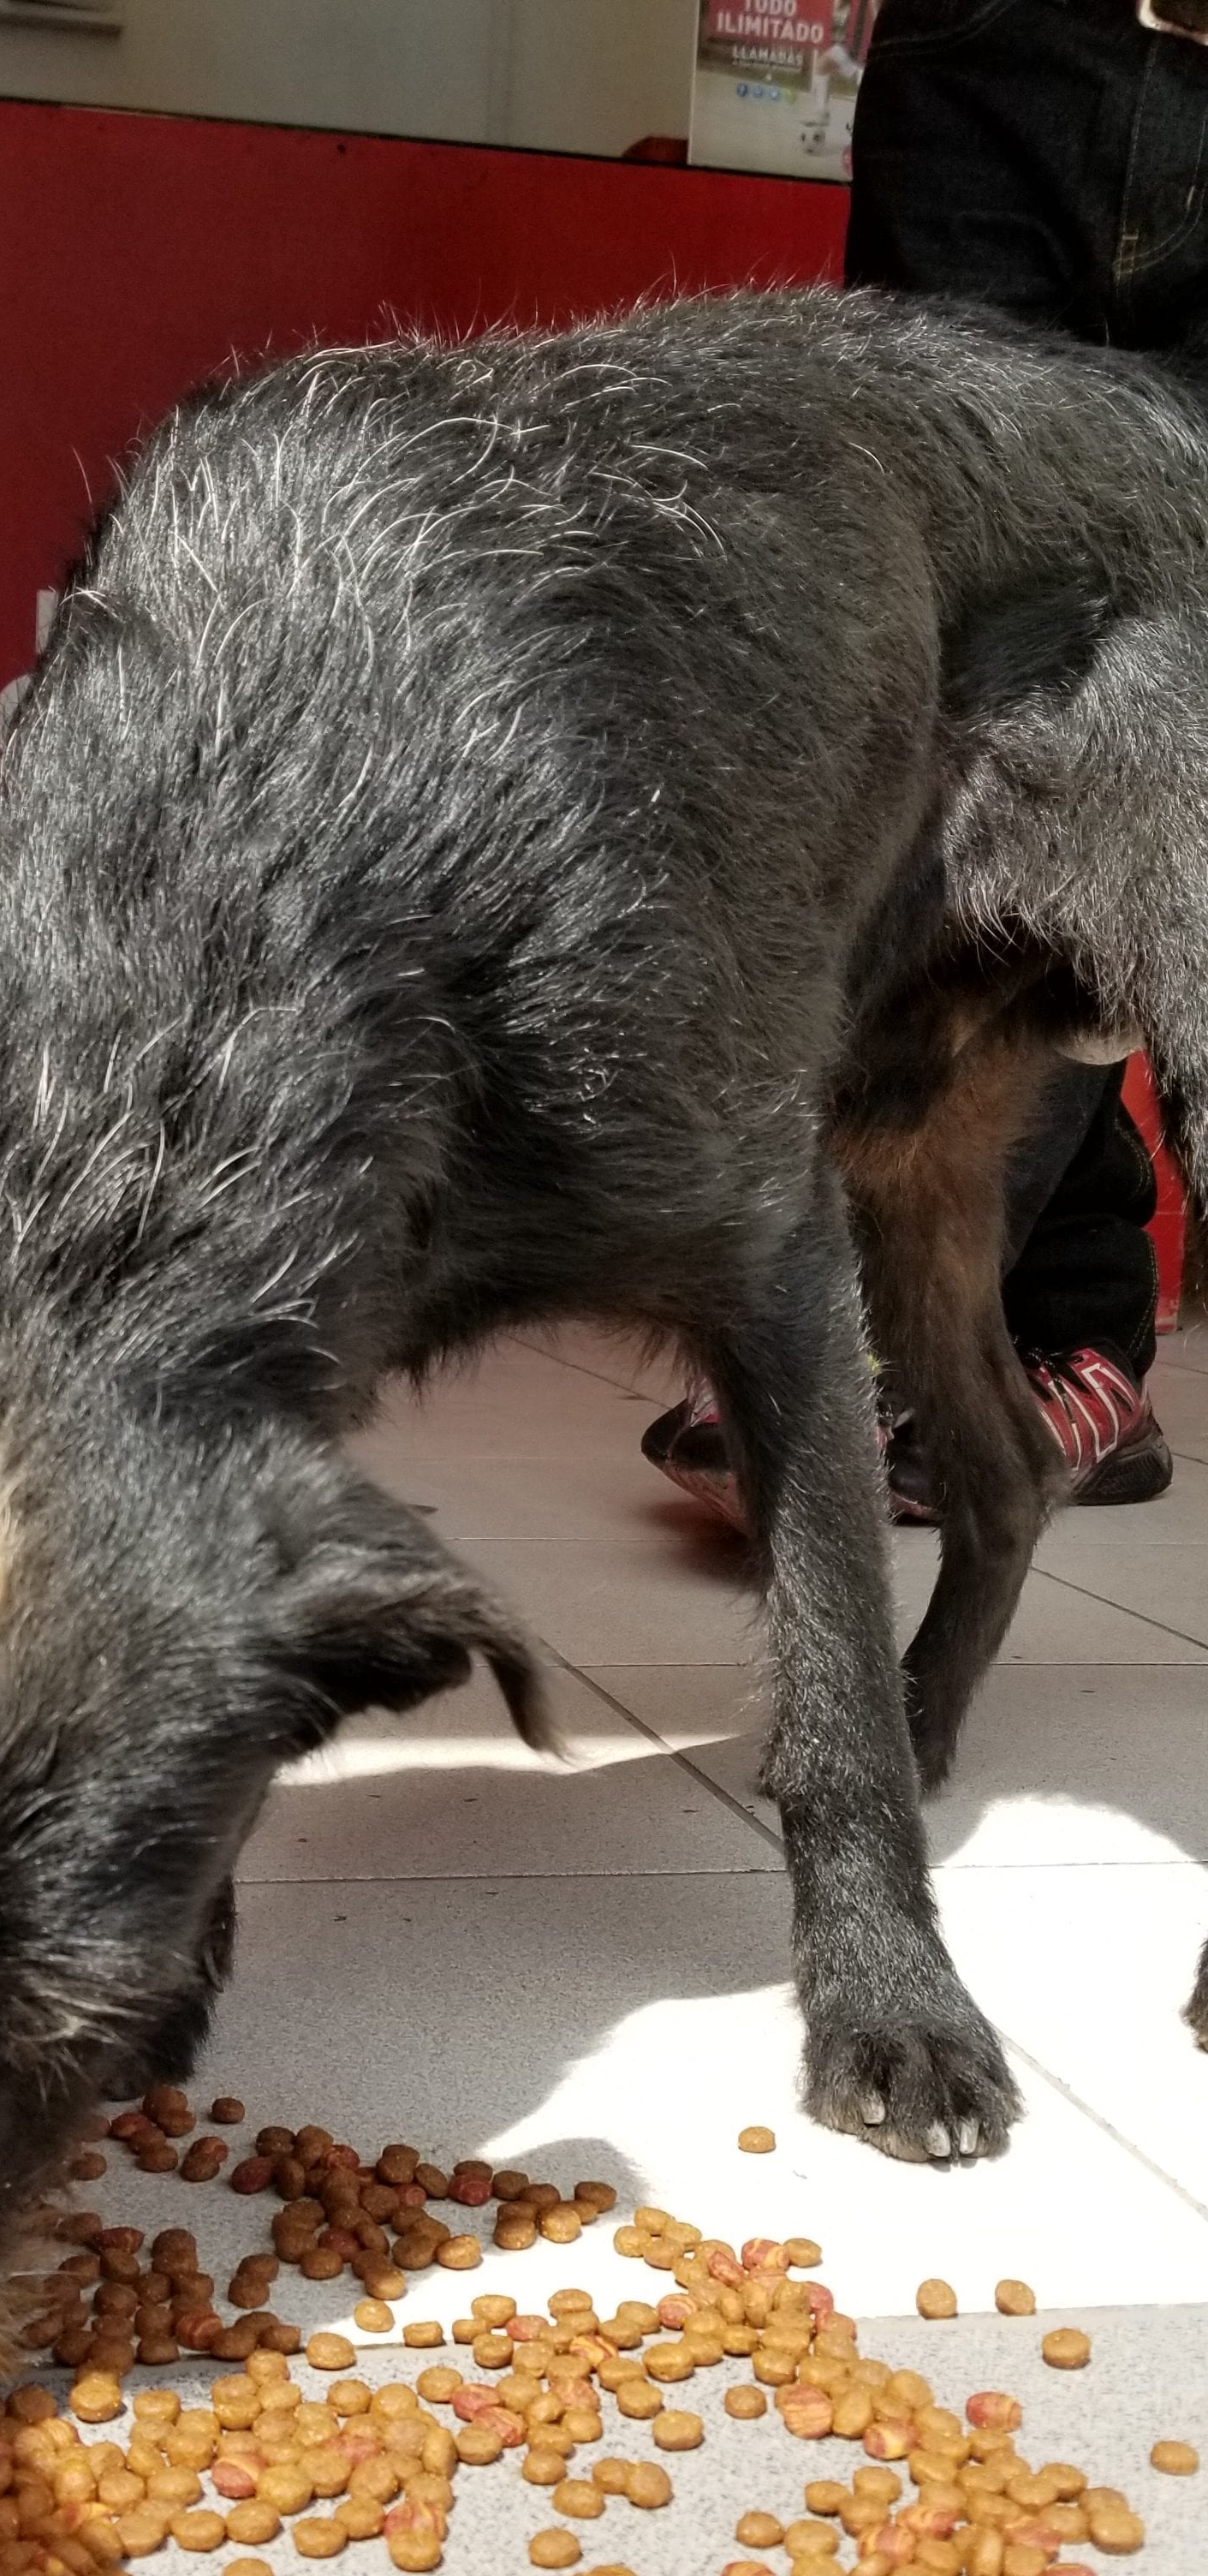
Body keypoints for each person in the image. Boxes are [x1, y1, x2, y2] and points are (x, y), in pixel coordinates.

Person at [646, 0, 1202, 1530]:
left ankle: (912, 1333)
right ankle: (1026, 1329)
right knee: (957, 682)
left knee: (1163, 694)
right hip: (997, 44)